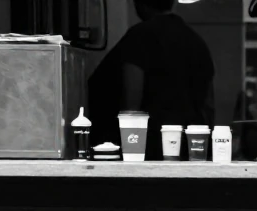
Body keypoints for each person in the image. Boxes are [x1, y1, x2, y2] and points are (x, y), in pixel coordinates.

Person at [87, 0, 216, 159]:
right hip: (191, 149)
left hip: (149, 148)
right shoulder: (197, 42)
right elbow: (209, 106)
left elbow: (131, 105)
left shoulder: (140, 36)